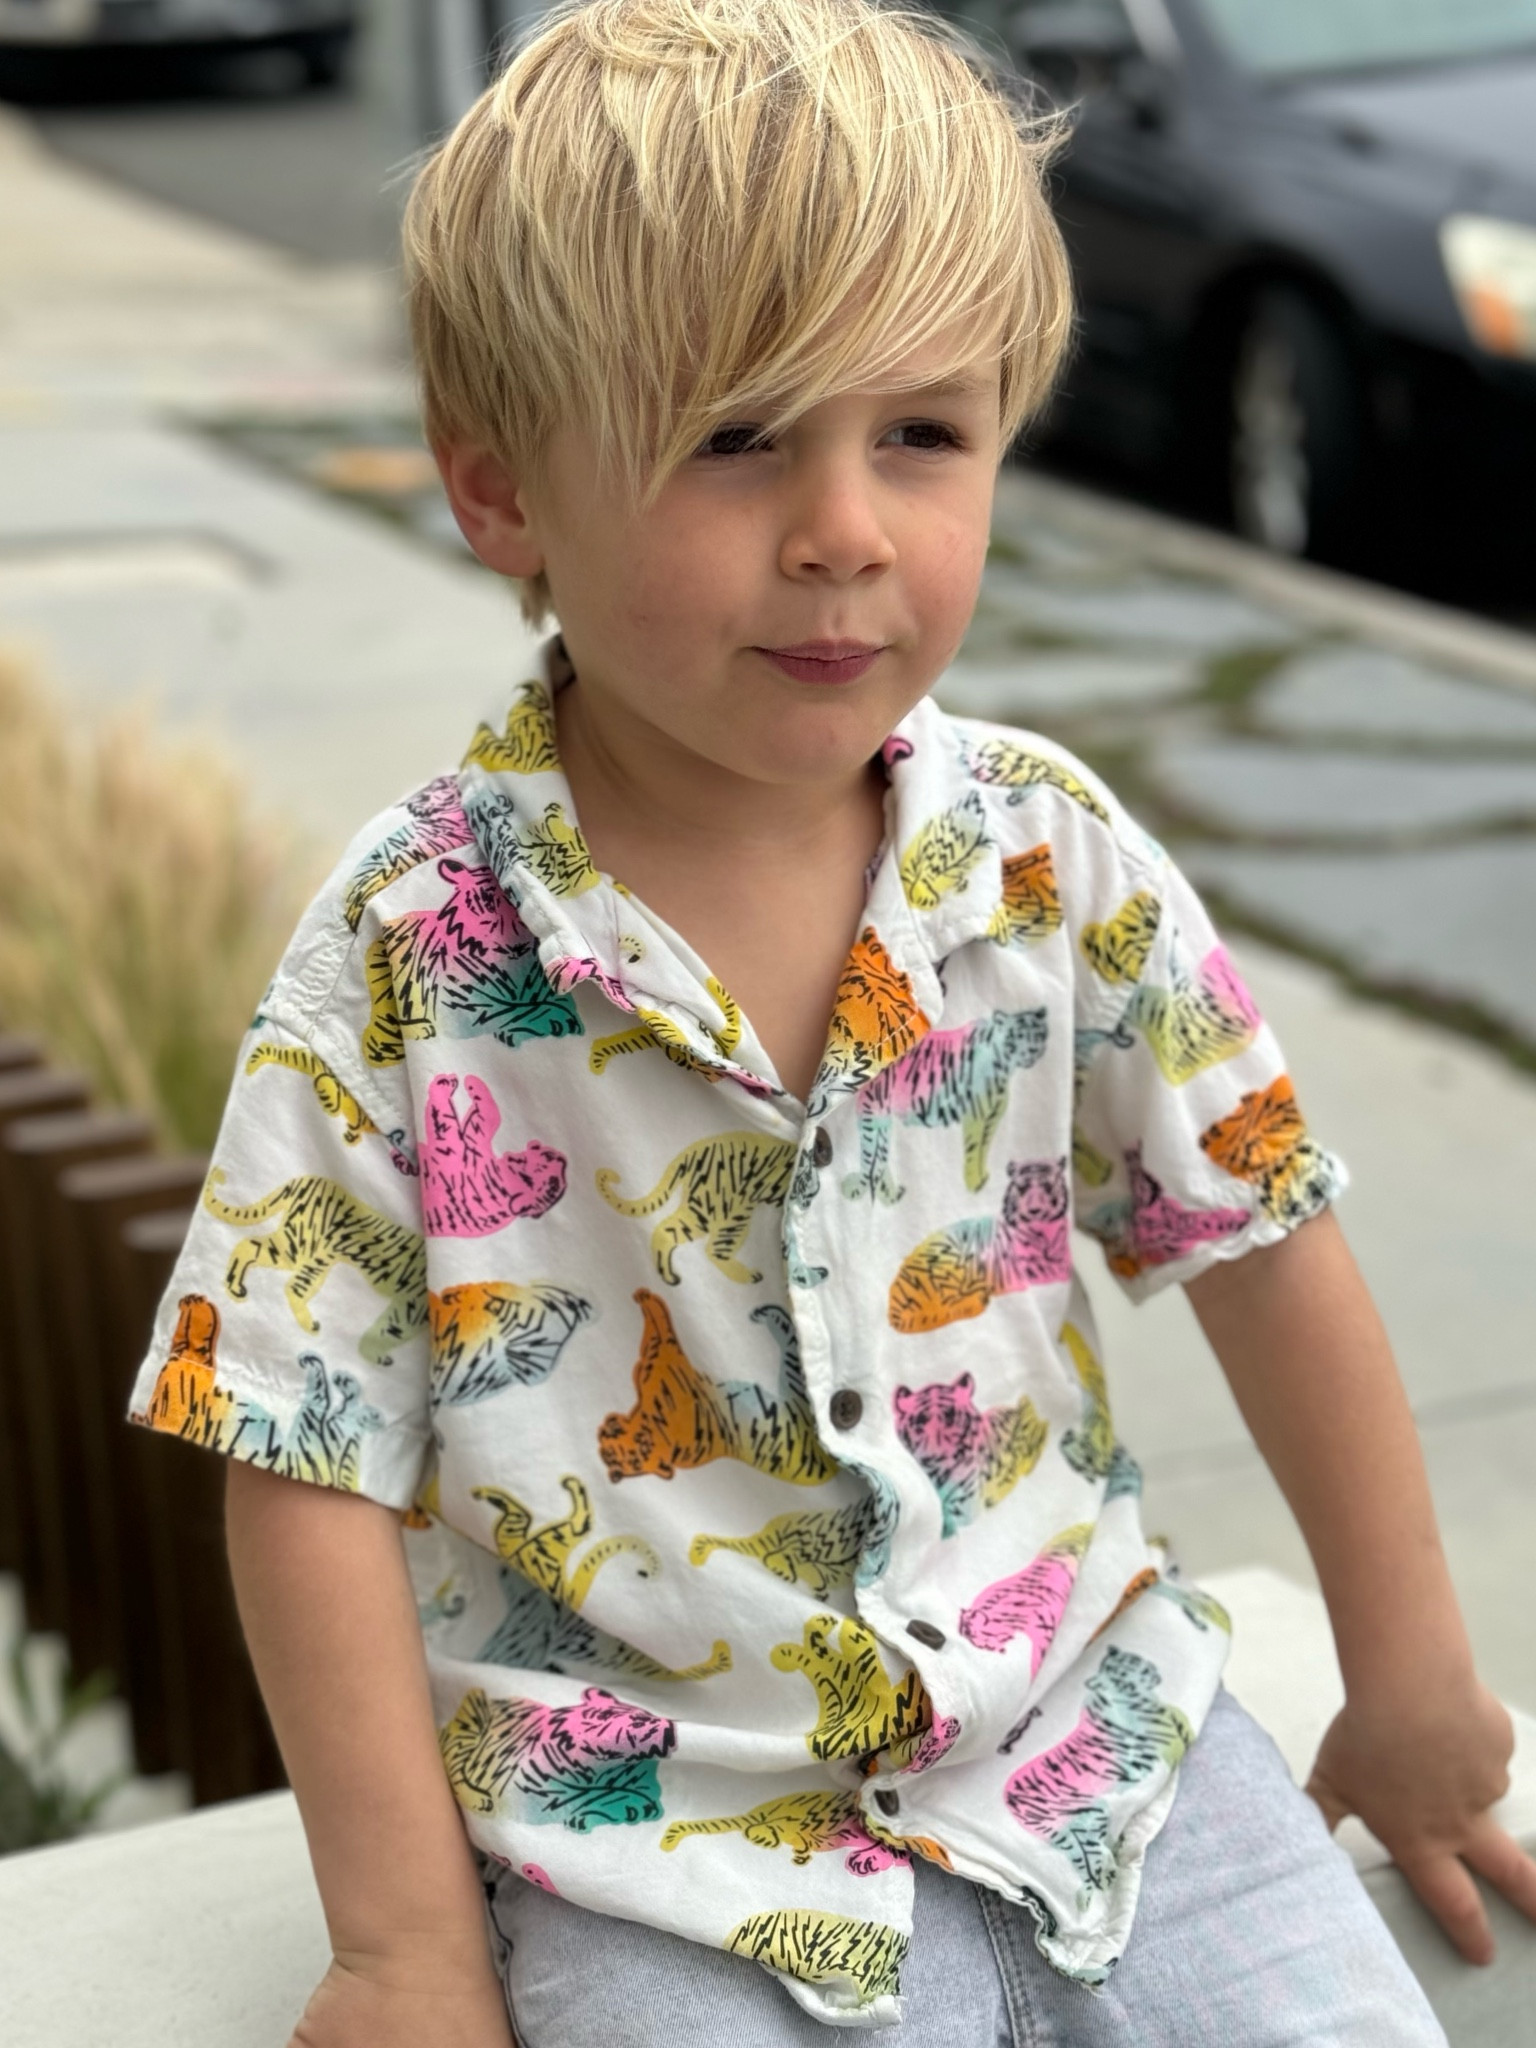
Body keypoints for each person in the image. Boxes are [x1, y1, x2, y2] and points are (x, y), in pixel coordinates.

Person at [127, 2, 1535, 2043]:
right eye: (736, 435)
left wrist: (1406, 1677)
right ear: (498, 482)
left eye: (923, 436)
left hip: (1100, 1747)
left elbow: (1259, 1227)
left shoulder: (1047, 856)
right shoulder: (403, 957)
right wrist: (404, 1945)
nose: (847, 528)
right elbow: (301, 1454)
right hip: (655, 1848)